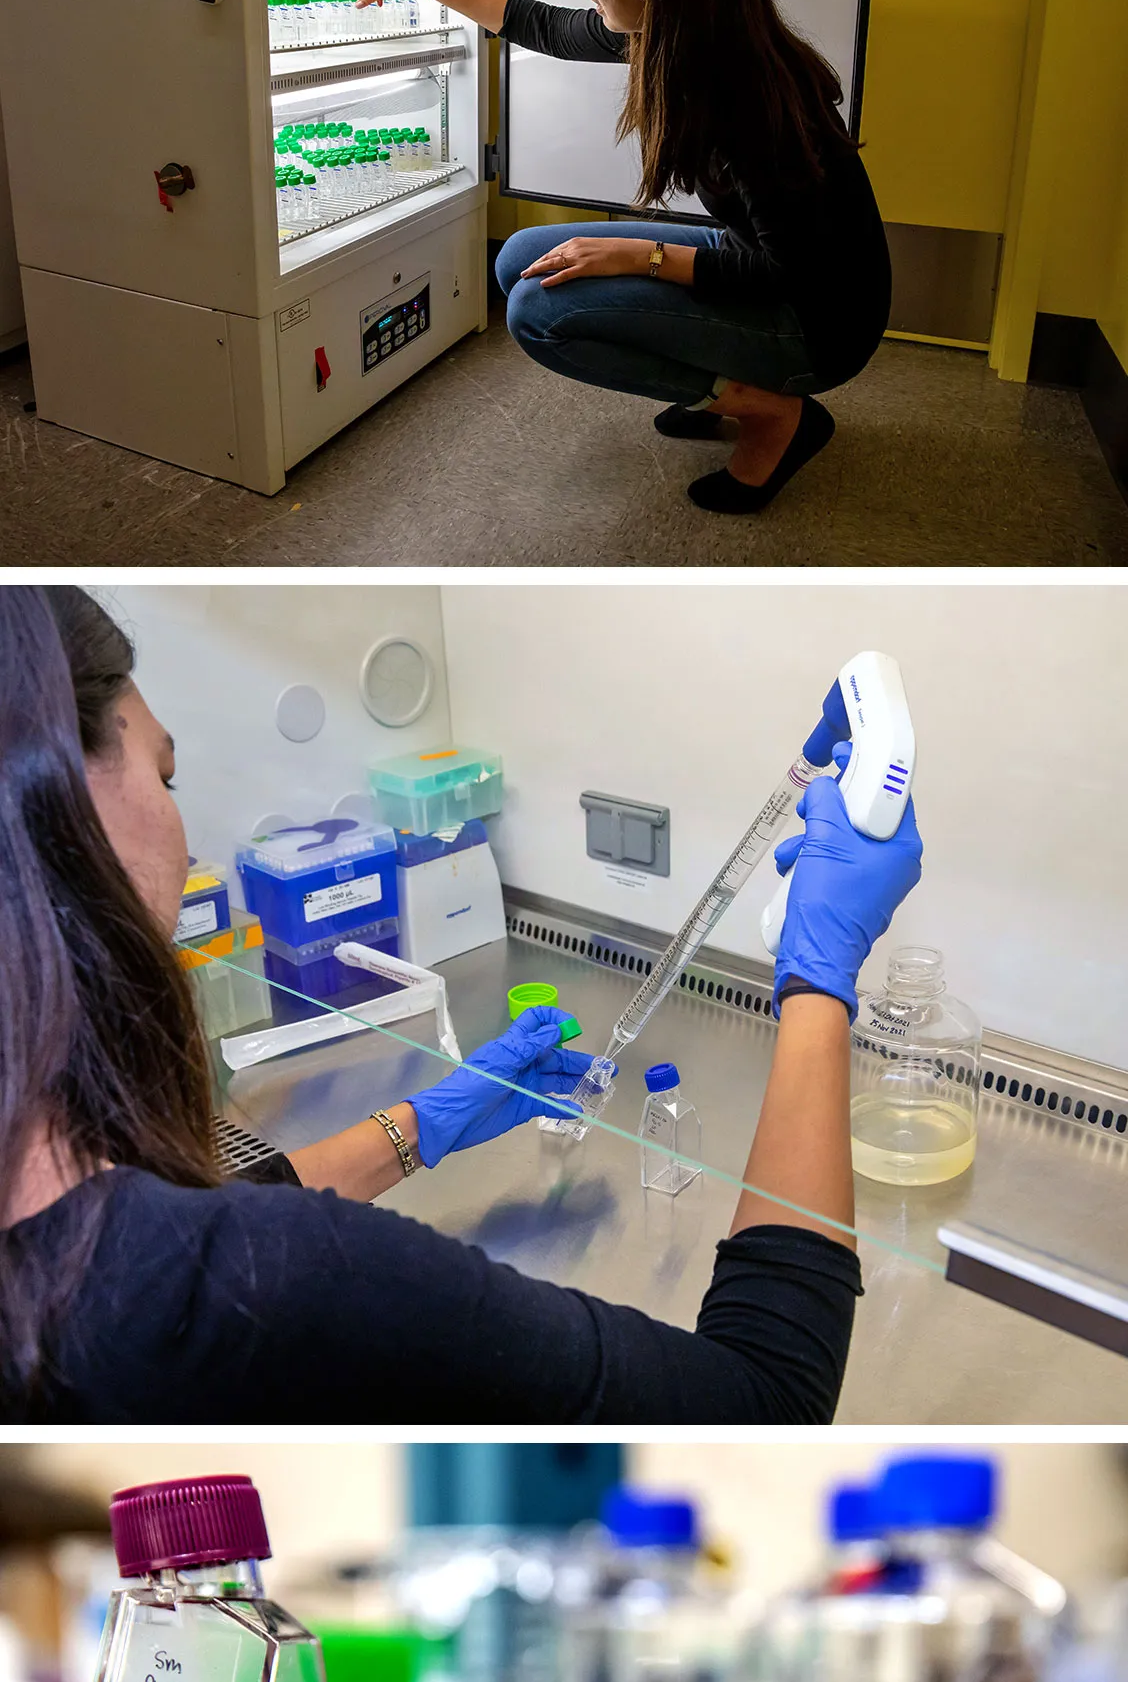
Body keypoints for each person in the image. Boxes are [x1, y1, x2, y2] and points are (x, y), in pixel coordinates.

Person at [0, 589, 921, 1422]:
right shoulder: (277, 1280)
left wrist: (418, 1126)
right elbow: (766, 1399)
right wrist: (819, 977)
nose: (180, 824)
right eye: (164, 778)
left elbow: (181, 1223)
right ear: (55, 801)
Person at [348, 0, 891, 517]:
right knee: (521, 258)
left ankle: (774, 411)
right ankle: (728, 379)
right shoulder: (683, 38)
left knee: (539, 313)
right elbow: (543, 26)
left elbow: (781, 270)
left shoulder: (749, 96)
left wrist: (638, 257)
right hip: (771, 262)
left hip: (817, 322)